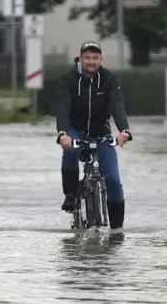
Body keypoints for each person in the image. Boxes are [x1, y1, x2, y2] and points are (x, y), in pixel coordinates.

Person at [55, 41, 133, 229]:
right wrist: (63, 132)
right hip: (76, 130)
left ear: (101, 59)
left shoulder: (109, 79)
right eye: (87, 57)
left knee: (113, 180)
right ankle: (71, 196)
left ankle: (117, 230)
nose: (91, 62)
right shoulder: (69, 79)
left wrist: (124, 130)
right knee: (70, 152)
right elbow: (63, 107)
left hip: (101, 133)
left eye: (95, 58)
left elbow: (117, 106)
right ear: (81, 58)